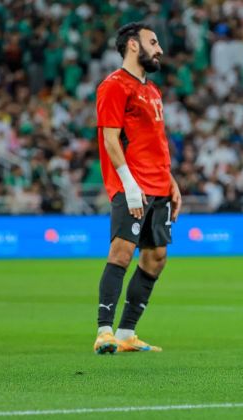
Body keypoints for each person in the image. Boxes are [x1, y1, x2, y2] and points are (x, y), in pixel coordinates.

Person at [93, 22, 182, 354]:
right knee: (121, 251)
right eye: (153, 42)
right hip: (132, 186)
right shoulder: (114, 86)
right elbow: (110, 140)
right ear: (133, 45)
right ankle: (104, 331)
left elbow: (154, 142)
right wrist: (129, 186)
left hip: (159, 185)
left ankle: (126, 333)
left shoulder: (152, 90)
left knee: (156, 257)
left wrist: (171, 181)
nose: (160, 50)